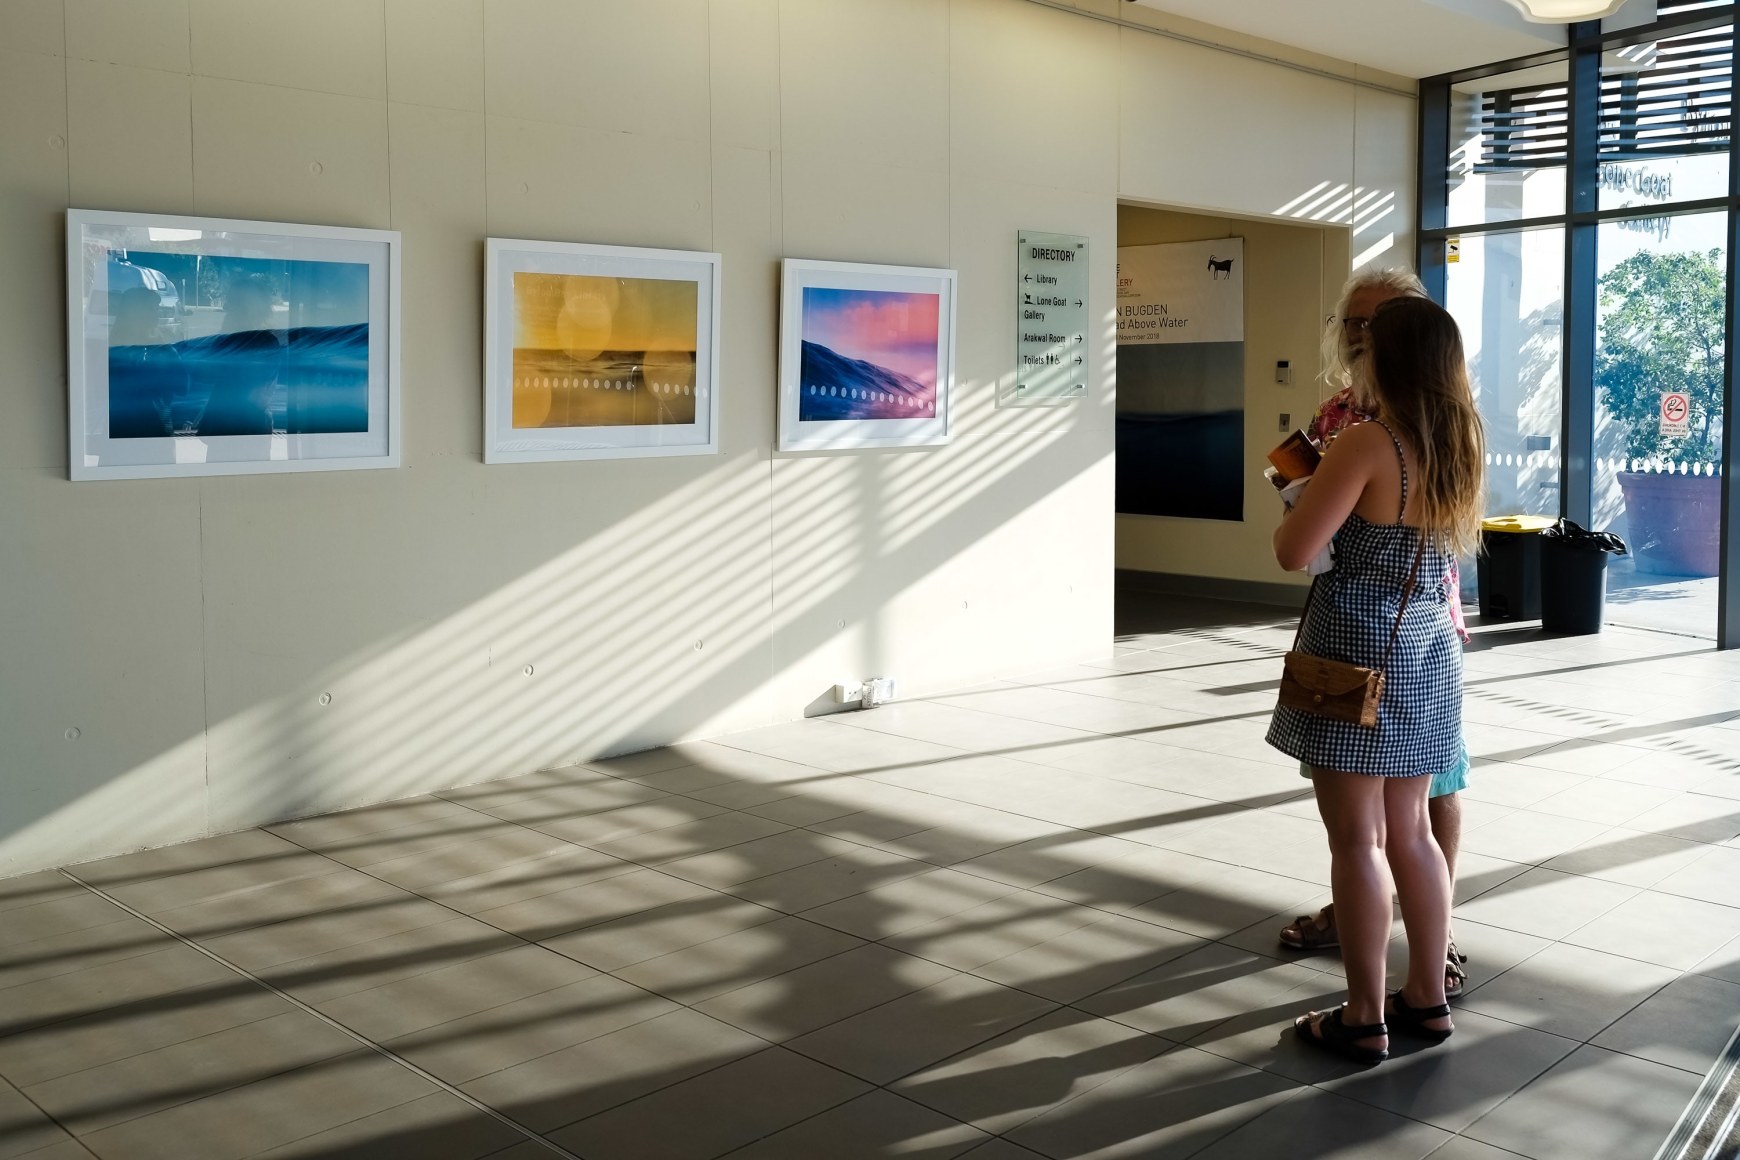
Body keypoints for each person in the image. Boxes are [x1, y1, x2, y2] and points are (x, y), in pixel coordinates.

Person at [1268, 296, 1485, 1064]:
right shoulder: (1460, 443)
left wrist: (1302, 491)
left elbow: (1295, 551)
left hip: (1356, 655)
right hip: (1429, 654)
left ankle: (1363, 1014)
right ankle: (1426, 996)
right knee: (1415, 831)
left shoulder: (1367, 442)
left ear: (1380, 362)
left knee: (1356, 841)